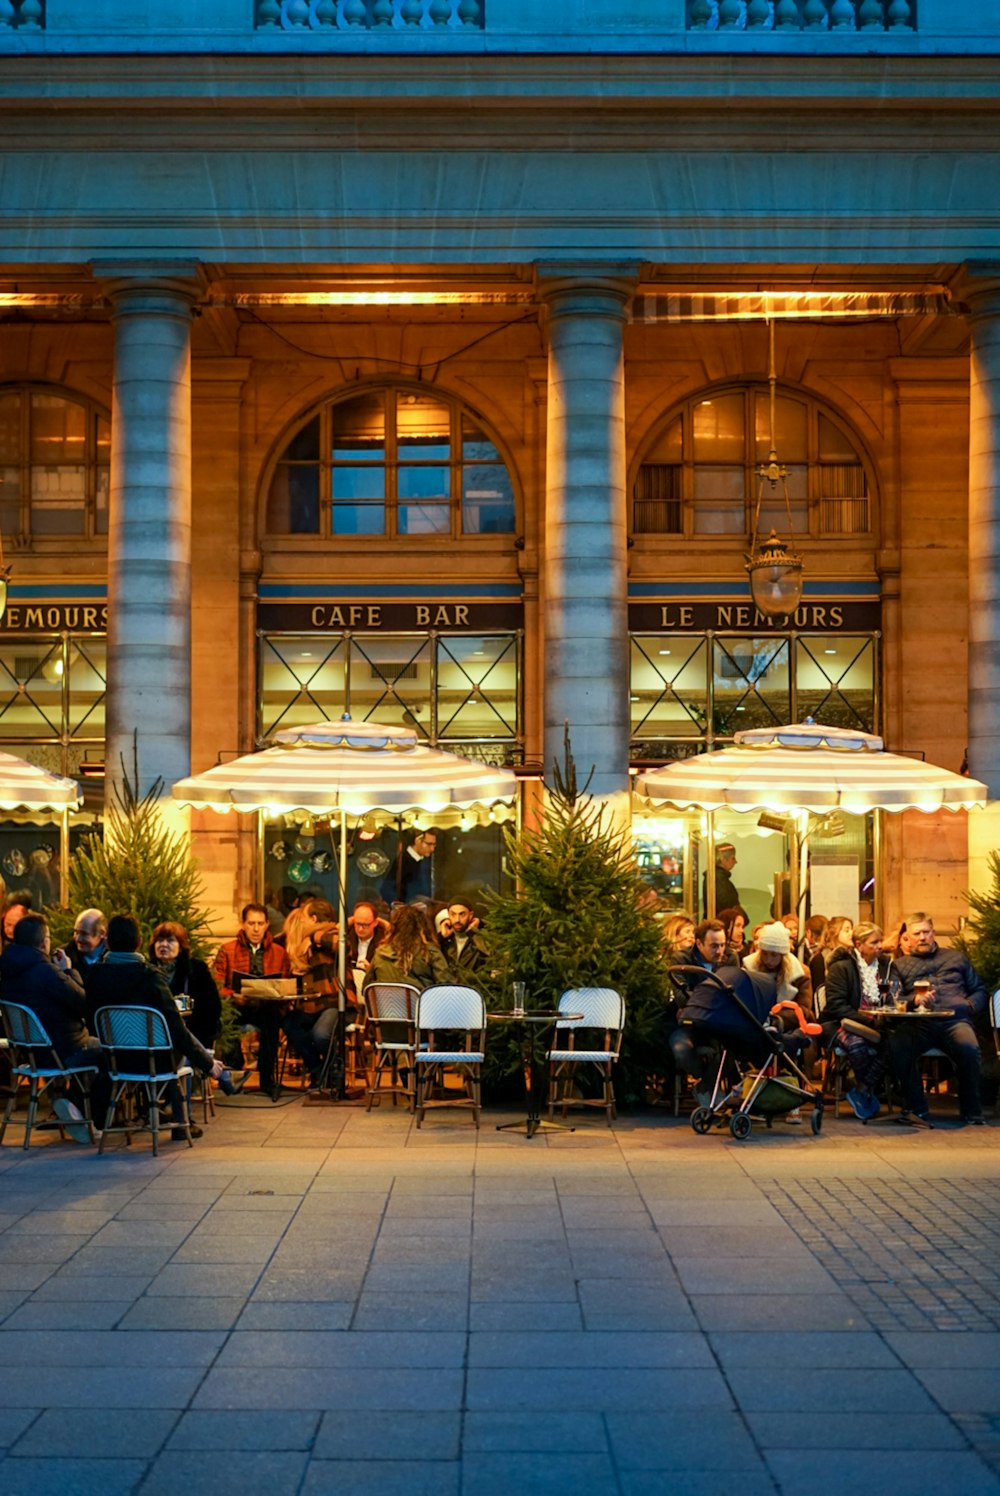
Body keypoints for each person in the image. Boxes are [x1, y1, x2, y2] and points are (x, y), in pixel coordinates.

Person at [86, 914, 230, 1141]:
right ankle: (181, 1123)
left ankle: (163, 1112)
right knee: (175, 1044)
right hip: (154, 1059)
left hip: (113, 1058)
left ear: (107, 942)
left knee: (170, 1042)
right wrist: (207, 1062)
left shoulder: (94, 976)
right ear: (141, 942)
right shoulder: (149, 976)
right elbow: (176, 1028)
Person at [0, 911, 104, 1142]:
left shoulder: (7, 971)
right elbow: (83, 1003)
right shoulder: (45, 972)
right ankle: (81, 1114)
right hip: (64, 1051)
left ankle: (70, 1105)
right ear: (42, 941)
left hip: (30, 1054)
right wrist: (68, 970)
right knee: (110, 1052)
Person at [890, 912, 988, 1125]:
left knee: (969, 1048)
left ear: (933, 934)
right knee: (898, 1044)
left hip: (955, 1021)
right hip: (921, 1023)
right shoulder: (900, 965)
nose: (922, 937)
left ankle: (972, 1111)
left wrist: (969, 1006)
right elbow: (894, 999)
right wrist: (915, 1000)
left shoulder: (956, 957)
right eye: (917, 933)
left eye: (926, 932)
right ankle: (917, 1108)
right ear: (908, 937)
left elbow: (979, 989)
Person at [213, 902, 293, 1100]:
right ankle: (233, 1072)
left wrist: (276, 994)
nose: (256, 929)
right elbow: (216, 983)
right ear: (243, 924)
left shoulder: (279, 952)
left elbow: (285, 982)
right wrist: (233, 995)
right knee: (227, 1019)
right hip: (237, 1005)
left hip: (267, 1006)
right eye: (251, 923)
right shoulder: (227, 949)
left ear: (267, 925)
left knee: (271, 1021)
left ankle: (267, 1079)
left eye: (260, 923)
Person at [821, 921, 897, 1121]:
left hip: (878, 1024)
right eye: (874, 942)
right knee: (856, 1043)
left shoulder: (886, 966)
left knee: (897, 1043)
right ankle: (866, 1093)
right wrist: (868, 1021)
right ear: (858, 944)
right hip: (841, 1023)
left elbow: (892, 996)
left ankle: (861, 1090)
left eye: (881, 941)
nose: (880, 946)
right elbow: (836, 1006)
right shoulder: (841, 968)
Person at [147, 921, 222, 1052]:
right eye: (159, 940)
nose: (164, 945)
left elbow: (213, 1009)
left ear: (181, 946)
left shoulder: (197, 970)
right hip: (155, 1039)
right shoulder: (146, 971)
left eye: (170, 941)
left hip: (192, 1038)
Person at [363, 902, 451, 994]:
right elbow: (447, 988)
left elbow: (366, 989)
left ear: (394, 928)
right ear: (422, 928)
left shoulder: (380, 953)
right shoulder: (430, 953)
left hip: (386, 1008)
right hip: (421, 1007)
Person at [381, 828, 438, 905]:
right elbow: (387, 889)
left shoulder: (424, 862)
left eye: (434, 845)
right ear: (417, 840)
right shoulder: (402, 861)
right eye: (429, 844)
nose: (432, 849)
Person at [439, 896, 489, 979]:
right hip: (447, 989)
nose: (457, 919)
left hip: (473, 989)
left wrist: (473, 933)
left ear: (470, 915)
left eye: (462, 914)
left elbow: (491, 953)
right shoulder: (444, 940)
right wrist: (441, 937)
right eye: (453, 914)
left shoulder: (482, 938)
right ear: (448, 915)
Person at [808, 915, 854, 997]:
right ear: (834, 933)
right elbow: (820, 991)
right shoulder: (820, 960)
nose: (852, 933)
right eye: (846, 930)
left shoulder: (852, 957)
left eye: (851, 929)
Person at [64, 907, 108, 974]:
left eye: (84, 934)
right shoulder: (64, 956)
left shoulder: (113, 957)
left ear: (102, 933)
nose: (78, 939)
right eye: (76, 932)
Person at [703, 842, 739, 916]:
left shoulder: (713, 877)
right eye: (733, 858)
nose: (736, 862)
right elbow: (726, 908)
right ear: (723, 859)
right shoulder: (720, 880)